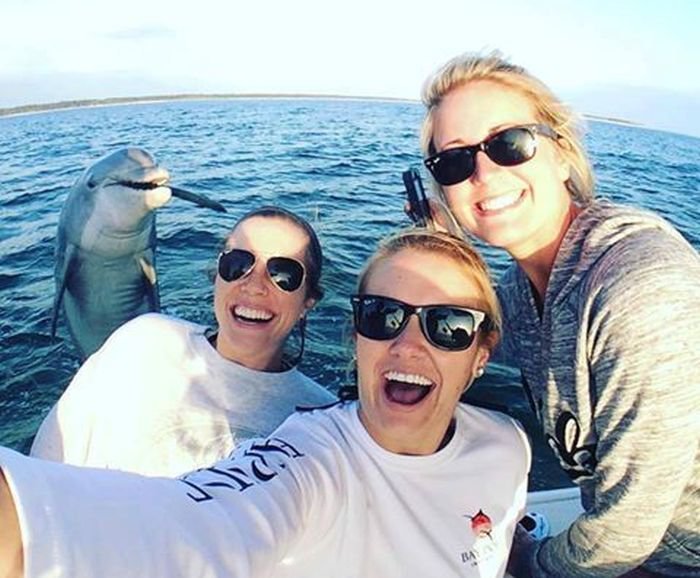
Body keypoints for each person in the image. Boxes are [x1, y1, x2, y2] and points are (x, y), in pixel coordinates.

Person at [0, 229, 530, 578]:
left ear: (481, 354)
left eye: (449, 326)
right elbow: (189, 522)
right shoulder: (309, 458)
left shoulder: (507, 446)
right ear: (355, 337)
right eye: (382, 316)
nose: (407, 345)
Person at [419, 51, 700, 577]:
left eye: (509, 144)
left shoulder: (642, 287)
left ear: (563, 154)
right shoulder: (521, 291)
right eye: (455, 162)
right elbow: (468, 339)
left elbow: (628, 530)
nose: (484, 173)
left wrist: (530, 561)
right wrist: (441, 258)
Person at [30, 206, 335, 476]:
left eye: (283, 274)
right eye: (237, 263)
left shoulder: (322, 424)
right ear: (217, 276)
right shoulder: (141, 342)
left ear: (308, 301)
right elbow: (48, 460)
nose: (254, 286)